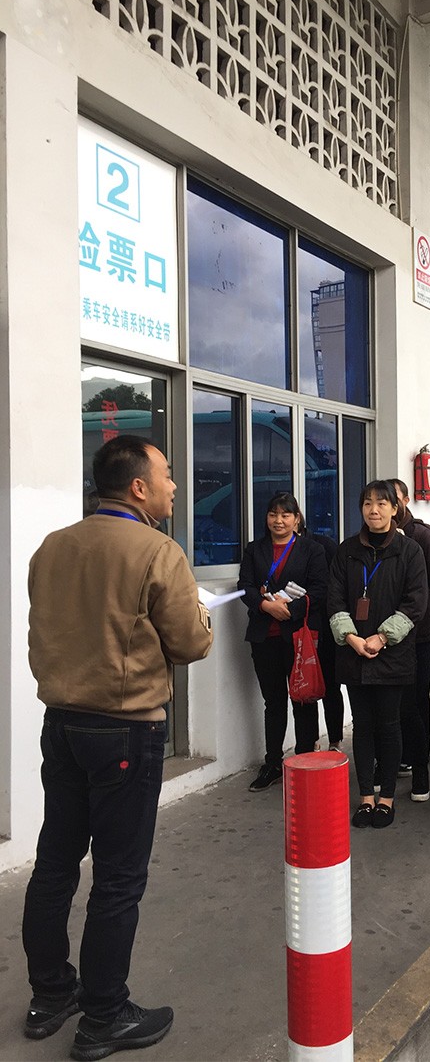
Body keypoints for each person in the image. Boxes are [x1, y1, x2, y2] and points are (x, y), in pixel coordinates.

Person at [23, 435, 213, 1059]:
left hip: (62, 724)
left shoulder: (53, 546)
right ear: (138, 486)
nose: (174, 485)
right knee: (118, 878)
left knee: (55, 862)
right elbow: (189, 644)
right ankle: (104, 1015)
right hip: (125, 730)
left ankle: (51, 994)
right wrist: (202, 617)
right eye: (167, 474)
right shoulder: (158, 551)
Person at [328, 480, 428, 829]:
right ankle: (365, 797)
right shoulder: (347, 550)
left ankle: (386, 798)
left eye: (382, 503)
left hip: (392, 653)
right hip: (354, 651)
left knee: (389, 724)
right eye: (368, 503)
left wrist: (382, 637)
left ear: (395, 509)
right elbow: (335, 597)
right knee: (362, 725)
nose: (374, 509)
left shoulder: (410, 551)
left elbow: (416, 602)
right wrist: (351, 638)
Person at [238, 492, 329, 791]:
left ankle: (305, 761)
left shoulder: (312, 550)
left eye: (285, 515)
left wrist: (289, 609)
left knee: (303, 700)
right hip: (265, 637)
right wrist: (266, 606)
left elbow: (320, 589)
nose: (278, 520)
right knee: (273, 702)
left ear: (296, 519)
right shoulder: (255, 549)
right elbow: (245, 586)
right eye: (273, 514)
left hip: (299, 637)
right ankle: (273, 764)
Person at [389, 479, 430, 802]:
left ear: (405, 500)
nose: (383, 508)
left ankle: (418, 757)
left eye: (391, 500)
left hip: (418, 633)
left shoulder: (422, 536)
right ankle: (398, 756)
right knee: (391, 702)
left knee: (415, 701)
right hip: (382, 636)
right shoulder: (369, 540)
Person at [296, 511, 345, 753]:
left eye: (287, 515)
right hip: (298, 627)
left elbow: (336, 585)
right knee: (305, 687)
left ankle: (335, 740)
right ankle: (309, 743)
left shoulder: (324, 545)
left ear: (297, 519)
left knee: (330, 686)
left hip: (325, 628)